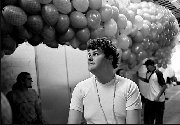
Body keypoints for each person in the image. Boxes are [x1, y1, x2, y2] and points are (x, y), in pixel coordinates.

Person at [68, 37, 142, 124]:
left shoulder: (129, 87)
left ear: (110, 58)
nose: (90, 58)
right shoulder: (80, 88)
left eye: (95, 54)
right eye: (89, 54)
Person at [137, 59, 167, 124]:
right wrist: (139, 77)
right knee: (148, 117)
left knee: (158, 118)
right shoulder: (149, 73)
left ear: (151, 65)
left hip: (158, 100)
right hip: (150, 99)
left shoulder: (158, 73)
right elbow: (147, 80)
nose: (146, 67)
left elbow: (164, 86)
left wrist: (158, 97)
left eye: (147, 66)